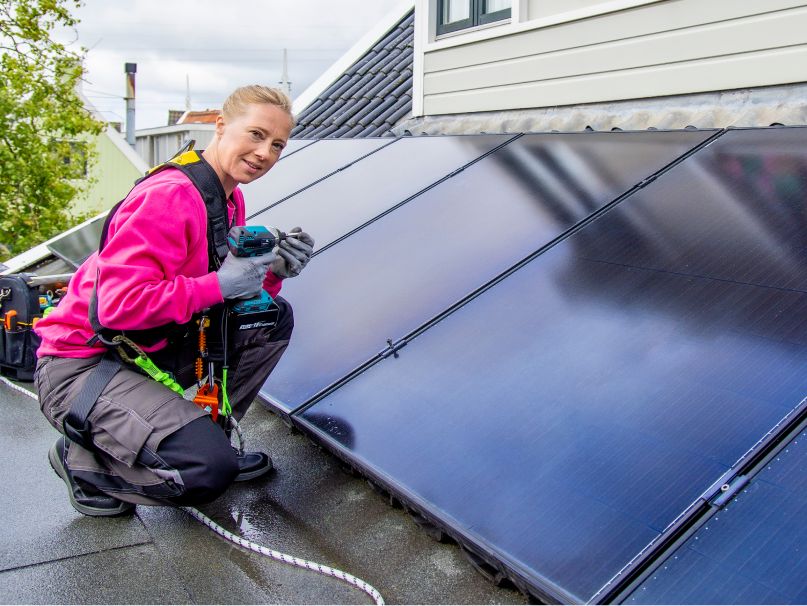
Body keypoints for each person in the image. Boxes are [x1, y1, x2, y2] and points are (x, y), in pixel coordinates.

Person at [34, 85, 314, 517]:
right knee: (204, 472)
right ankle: (83, 462)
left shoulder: (228, 198)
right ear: (220, 127)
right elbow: (118, 307)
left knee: (270, 319)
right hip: (84, 366)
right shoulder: (170, 196)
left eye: (277, 144)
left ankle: (208, 435)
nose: (265, 153)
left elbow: (221, 304)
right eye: (256, 134)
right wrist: (220, 285)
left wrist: (270, 276)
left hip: (145, 350)